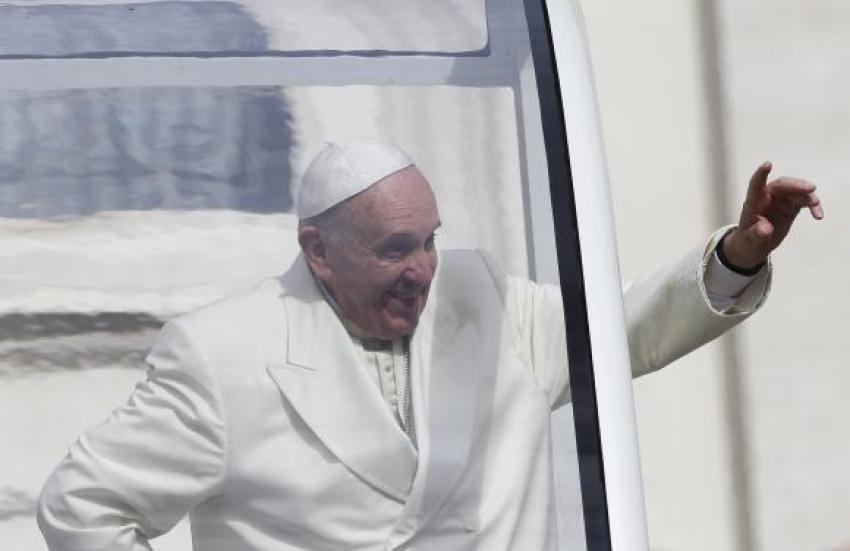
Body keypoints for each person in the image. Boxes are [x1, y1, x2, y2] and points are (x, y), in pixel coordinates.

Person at [37, 138, 823, 550]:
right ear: (318, 251)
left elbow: (628, 329)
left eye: (430, 241)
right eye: (392, 249)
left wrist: (738, 255)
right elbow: (82, 505)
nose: (422, 270)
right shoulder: (223, 354)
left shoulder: (483, 301)